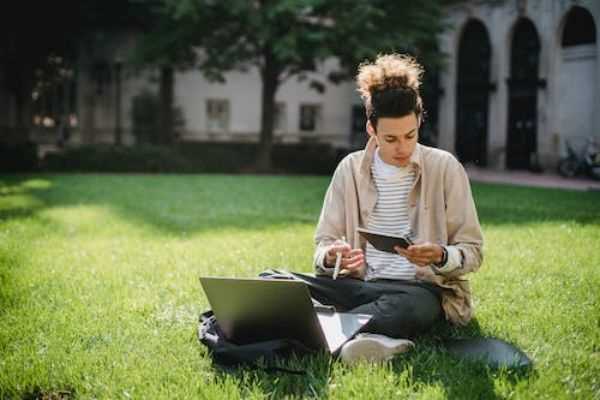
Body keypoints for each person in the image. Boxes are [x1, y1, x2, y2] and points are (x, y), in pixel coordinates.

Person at [300, 53, 484, 364]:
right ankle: (361, 335)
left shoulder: (445, 167)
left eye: (410, 135)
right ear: (371, 130)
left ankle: (308, 328)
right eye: (391, 138)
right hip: (358, 287)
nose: (403, 147)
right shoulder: (350, 169)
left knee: (412, 308)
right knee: (275, 281)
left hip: (418, 291)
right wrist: (332, 256)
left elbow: (473, 252)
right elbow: (323, 245)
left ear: (419, 122)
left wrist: (440, 255)